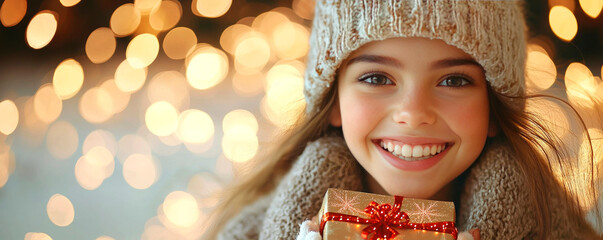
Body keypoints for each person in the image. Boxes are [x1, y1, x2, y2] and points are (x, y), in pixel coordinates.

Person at [205, 0, 602, 239]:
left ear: (494, 107)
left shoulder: (552, 229)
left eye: (454, 80)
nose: (413, 113)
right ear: (335, 101)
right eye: (376, 78)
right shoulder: (251, 233)